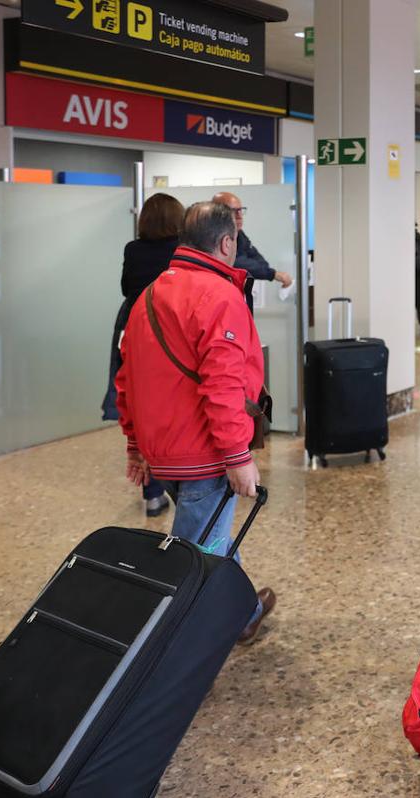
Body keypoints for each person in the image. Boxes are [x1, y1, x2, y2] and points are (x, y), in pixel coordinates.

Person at [116, 201, 276, 643]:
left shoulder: (147, 296)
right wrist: (237, 455)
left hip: (164, 450)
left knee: (211, 537)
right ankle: (167, 654)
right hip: (204, 452)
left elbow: (126, 379)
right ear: (227, 243)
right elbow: (223, 384)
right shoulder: (219, 295)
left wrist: (135, 444)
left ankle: (245, 613)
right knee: (191, 559)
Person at [101, 192, 183, 517]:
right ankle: (179, 480)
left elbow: (126, 287)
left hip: (133, 327)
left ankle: (152, 494)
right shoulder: (181, 249)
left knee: (139, 406)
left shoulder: (132, 249)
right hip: (169, 330)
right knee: (172, 406)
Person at [211, 192, 294, 314]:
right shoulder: (212, 236)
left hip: (237, 302)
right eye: (234, 211)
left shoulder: (239, 234)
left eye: (240, 210)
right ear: (218, 214)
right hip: (219, 304)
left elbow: (257, 259)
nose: (239, 216)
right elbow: (237, 262)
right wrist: (272, 273)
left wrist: (268, 271)